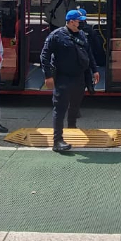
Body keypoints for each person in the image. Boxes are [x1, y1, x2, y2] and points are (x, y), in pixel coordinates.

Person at [40, 10, 99, 153]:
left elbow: (88, 53)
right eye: (79, 21)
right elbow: (44, 56)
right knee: (60, 109)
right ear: (71, 21)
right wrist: (48, 76)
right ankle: (57, 141)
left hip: (79, 77)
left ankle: (72, 128)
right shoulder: (56, 35)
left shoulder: (81, 35)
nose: (81, 23)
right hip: (62, 77)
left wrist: (94, 70)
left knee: (75, 105)